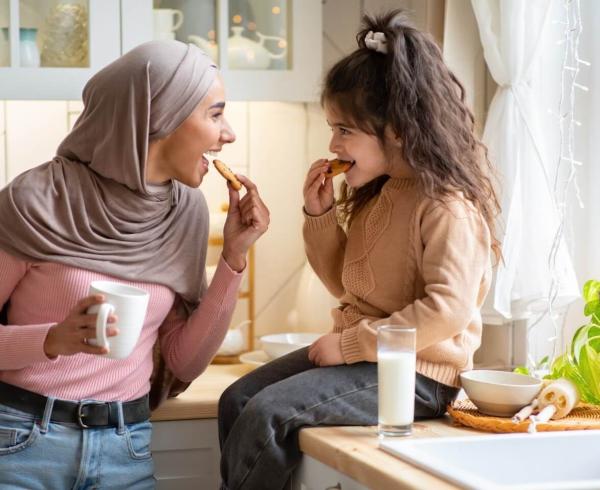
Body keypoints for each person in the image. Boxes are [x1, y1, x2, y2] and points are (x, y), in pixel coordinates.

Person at [218, 9, 500, 490]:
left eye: (344, 130)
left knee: (267, 412)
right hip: (369, 359)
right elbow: (346, 285)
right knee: (237, 399)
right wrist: (320, 217)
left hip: (419, 376)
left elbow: (446, 309)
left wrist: (350, 344)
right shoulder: (379, 191)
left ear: (400, 130)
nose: (332, 143)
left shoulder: (447, 206)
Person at [0, 40, 269, 489]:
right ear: (161, 115)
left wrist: (234, 258)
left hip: (127, 449)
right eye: (215, 114)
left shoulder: (186, 212)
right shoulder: (38, 200)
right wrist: (50, 340)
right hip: (23, 444)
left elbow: (182, 360)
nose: (229, 134)